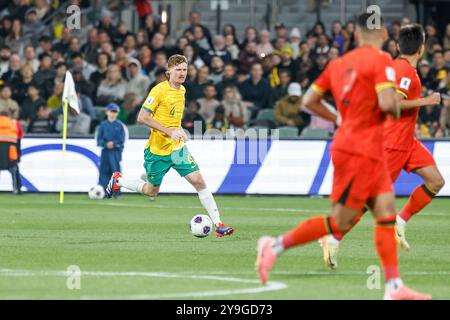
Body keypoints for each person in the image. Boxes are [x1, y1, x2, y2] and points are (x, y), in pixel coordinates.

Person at [256, 13, 431, 300]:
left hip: (351, 143)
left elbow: (308, 101)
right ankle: (273, 246)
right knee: (340, 221)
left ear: (357, 34)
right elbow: (389, 104)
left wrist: (338, 117)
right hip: (360, 148)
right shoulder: (383, 64)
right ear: (384, 34)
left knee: (385, 209)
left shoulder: (338, 65)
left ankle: (393, 287)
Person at [320, 23, 445, 268]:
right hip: (392, 144)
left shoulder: (399, 67)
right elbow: (394, 104)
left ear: (399, 46)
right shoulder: (406, 72)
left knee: (436, 181)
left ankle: (401, 220)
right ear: (422, 49)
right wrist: (427, 100)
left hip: (408, 141)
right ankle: (333, 236)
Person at [104, 54, 234, 238]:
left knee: (199, 181)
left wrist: (179, 130)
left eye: (185, 69)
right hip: (157, 151)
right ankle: (119, 181)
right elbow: (142, 117)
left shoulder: (182, 91)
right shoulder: (158, 91)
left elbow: (173, 118)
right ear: (168, 72)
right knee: (151, 191)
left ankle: (218, 224)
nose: (182, 73)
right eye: (178, 69)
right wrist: (169, 131)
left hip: (177, 148)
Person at [96, 103, 125, 190]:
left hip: (115, 152)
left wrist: (114, 144)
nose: (113, 113)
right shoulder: (103, 125)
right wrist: (105, 144)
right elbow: (99, 139)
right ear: (107, 112)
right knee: (103, 171)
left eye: (115, 112)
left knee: (115, 171)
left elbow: (121, 139)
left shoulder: (120, 126)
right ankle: (103, 190)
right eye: (111, 111)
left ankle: (115, 191)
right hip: (105, 151)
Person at [0, 109, 20, 194]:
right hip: (11, 149)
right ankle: (16, 188)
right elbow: (19, 135)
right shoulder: (14, 123)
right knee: (14, 168)